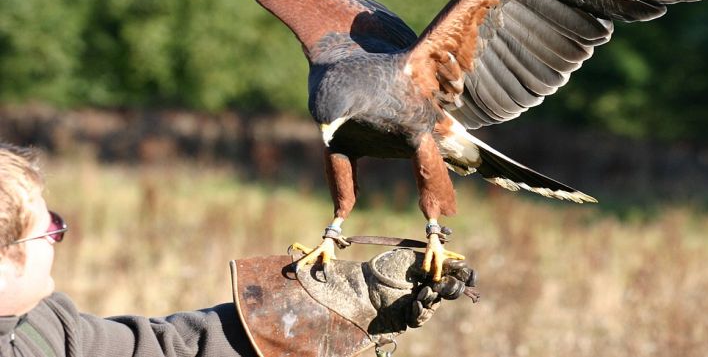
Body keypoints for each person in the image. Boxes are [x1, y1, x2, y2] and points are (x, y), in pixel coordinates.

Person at [0, 143, 475, 357]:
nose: (59, 237)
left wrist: (327, 307)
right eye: (48, 229)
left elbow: (166, 350)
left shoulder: (44, 328)